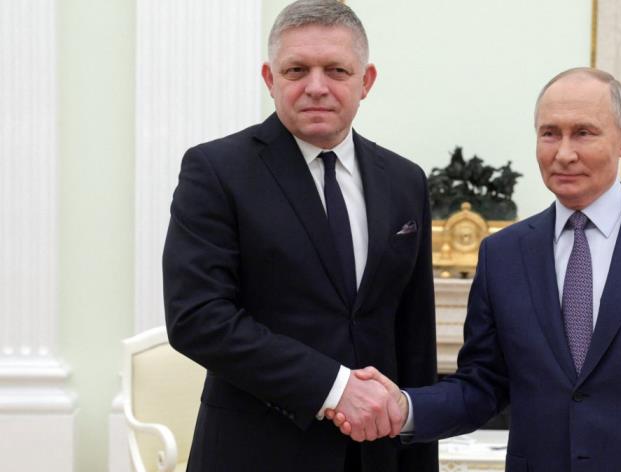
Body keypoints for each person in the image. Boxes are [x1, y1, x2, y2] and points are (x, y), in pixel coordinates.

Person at [329, 67, 621, 471]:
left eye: (584, 133)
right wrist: (404, 408)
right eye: (550, 134)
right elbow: (483, 385)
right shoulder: (502, 254)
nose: (564, 153)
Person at [162, 1, 438, 470]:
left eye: (335, 70)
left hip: (376, 456)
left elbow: (414, 337)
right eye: (296, 70)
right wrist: (334, 387)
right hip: (255, 452)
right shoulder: (216, 171)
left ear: (365, 81)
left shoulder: (405, 180)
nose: (316, 87)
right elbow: (198, 317)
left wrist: (417, 451)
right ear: (270, 79)